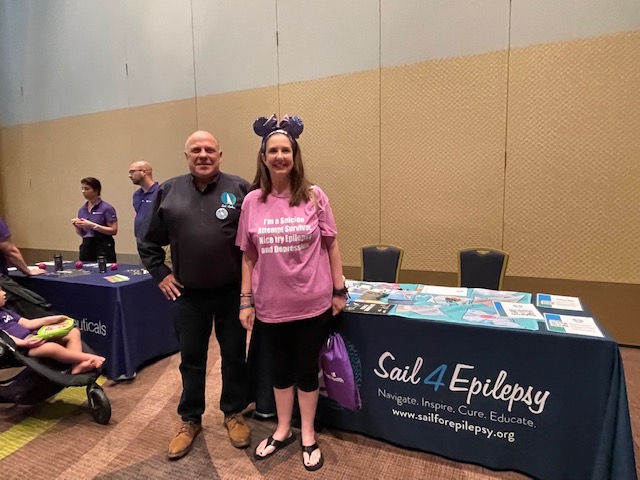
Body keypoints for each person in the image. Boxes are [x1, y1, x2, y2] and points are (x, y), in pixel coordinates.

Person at [237, 114, 347, 472]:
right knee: (280, 372)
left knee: (305, 370)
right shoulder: (252, 201)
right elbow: (248, 256)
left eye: (286, 150)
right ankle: (283, 429)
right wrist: (245, 301)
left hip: (312, 303)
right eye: (273, 150)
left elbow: (331, 245)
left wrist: (339, 288)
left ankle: (309, 434)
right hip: (270, 307)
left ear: (294, 155)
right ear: (264, 157)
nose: (280, 156)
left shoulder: (315, 196)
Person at [137, 130, 252, 460]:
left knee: (234, 357)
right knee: (191, 361)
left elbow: (255, 241)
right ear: (186, 156)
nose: (203, 154)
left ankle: (233, 413)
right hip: (188, 295)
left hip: (232, 293)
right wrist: (161, 275)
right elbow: (148, 242)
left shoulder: (241, 189)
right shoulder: (168, 191)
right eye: (196, 150)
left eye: (209, 149)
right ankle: (190, 419)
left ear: (220, 154)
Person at [0, 287, 105, 374]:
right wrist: (24, 343)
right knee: (52, 348)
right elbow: (3, 336)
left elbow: (29, 323)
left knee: (73, 332)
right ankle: (89, 358)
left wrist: (54, 319)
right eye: (0, 291)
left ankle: (76, 366)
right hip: (20, 348)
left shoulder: (6, 311)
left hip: (33, 338)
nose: (5, 293)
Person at [71, 177, 118, 262]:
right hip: (87, 245)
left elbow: (114, 230)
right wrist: (77, 227)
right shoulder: (82, 209)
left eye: (87, 189)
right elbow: (83, 234)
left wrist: (92, 225)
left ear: (96, 190)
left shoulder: (106, 208)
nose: (83, 191)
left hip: (103, 245)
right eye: (82, 189)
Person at [128, 161, 159, 239]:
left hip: (157, 240)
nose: (129, 176)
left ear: (144, 172)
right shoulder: (137, 195)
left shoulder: (160, 192)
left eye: (132, 172)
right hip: (141, 239)